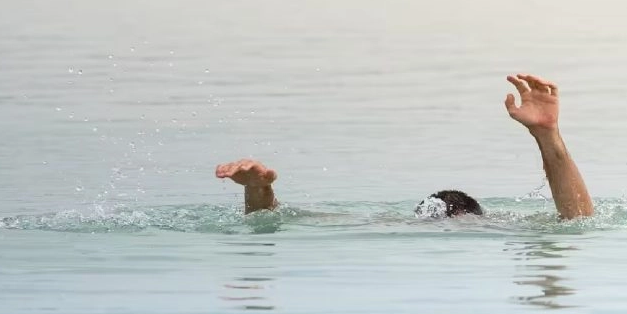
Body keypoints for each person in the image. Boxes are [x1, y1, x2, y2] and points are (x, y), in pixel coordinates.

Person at [215, 74, 594, 220]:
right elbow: (578, 220)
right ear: (474, 217)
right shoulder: (501, 229)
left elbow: (277, 219)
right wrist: (549, 138)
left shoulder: (384, 223)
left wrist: (260, 194)